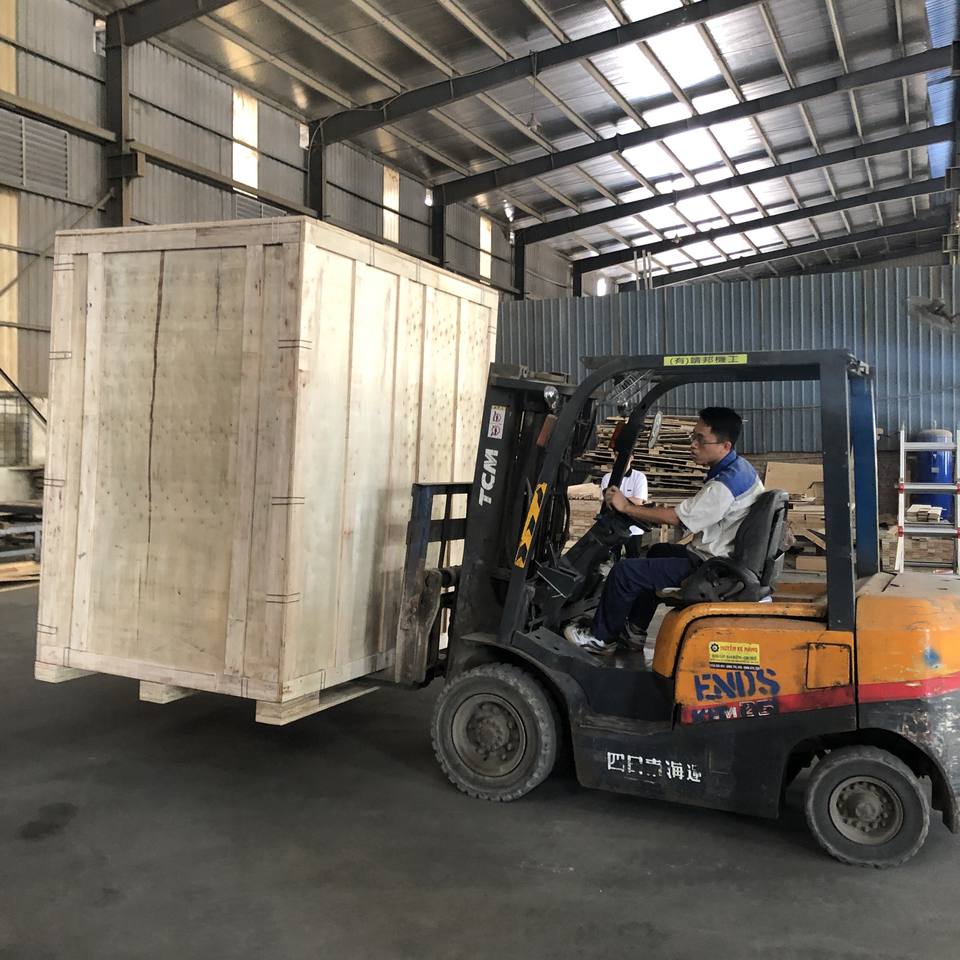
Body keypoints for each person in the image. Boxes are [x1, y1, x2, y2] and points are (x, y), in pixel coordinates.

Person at [564, 407, 763, 657]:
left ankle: (601, 639)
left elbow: (677, 518)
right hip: (722, 558)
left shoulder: (725, 486)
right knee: (657, 551)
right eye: (693, 436)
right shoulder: (740, 469)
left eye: (701, 439)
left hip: (712, 568)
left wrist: (626, 507)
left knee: (624, 571)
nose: (693, 444)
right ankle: (634, 631)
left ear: (725, 445)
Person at [599, 455, 648, 558]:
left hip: (634, 527)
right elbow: (605, 501)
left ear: (632, 458)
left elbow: (639, 501)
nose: (619, 458)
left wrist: (616, 499)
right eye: (616, 455)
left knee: (633, 559)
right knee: (611, 559)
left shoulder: (639, 477)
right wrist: (627, 500)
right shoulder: (607, 477)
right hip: (612, 526)